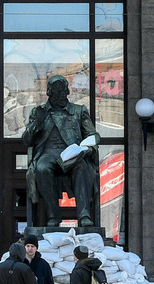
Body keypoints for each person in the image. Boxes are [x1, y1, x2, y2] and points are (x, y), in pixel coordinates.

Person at [22, 75, 100, 227]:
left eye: (63, 91)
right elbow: (27, 140)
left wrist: (88, 148)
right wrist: (37, 124)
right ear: (50, 93)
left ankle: (84, 215)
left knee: (82, 166)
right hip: (49, 154)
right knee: (42, 168)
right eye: (57, 92)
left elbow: (93, 135)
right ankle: (53, 216)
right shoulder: (39, 112)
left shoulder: (78, 111)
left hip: (72, 154)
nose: (61, 95)